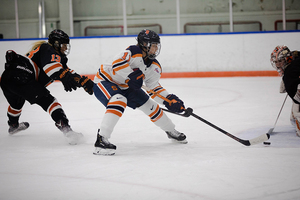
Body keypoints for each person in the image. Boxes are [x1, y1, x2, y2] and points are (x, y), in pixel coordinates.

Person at [92, 29, 187, 155]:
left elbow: (154, 88)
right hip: (106, 81)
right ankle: (101, 139)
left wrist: (169, 100)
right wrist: (130, 75)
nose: (156, 48)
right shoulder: (132, 52)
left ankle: (171, 130)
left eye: (157, 45)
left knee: (152, 106)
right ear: (144, 44)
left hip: (127, 87)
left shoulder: (154, 66)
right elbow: (117, 63)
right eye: (153, 45)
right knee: (119, 100)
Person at [0, 29, 94, 144]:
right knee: (51, 102)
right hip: (22, 76)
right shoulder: (48, 49)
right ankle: (68, 131)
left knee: (16, 103)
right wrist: (64, 76)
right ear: (56, 44)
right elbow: (52, 69)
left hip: (6, 79)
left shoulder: (50, 54)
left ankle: (13, 125)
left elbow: (65, 70)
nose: (65, 48)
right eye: (63, 45)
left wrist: (81, 81)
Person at [270, 45, 300, 136]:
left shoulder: (290, 75)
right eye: (276, 62)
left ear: (287, 59)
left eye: (280, 61)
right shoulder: (296, 57)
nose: (278, 64)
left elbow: (297, 98)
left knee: (297, 109)